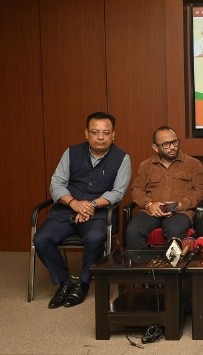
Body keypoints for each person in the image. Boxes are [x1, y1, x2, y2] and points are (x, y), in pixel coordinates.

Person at [33, 112, 131, 308]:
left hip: (99, 212)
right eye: (95, 132)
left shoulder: (122, 158)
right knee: (41, 239)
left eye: (106, 132)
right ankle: (65, 282)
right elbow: (57, 184)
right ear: (86, 133)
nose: (100, 137)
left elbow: (117, 193)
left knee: (95, 238)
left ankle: (83, 283)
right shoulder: (71, 153)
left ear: (114, 134)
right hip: (66, 209)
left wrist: (91, 205)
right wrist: (74, 204)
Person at [125, 126, 203, 248]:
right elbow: (137, 190)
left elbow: (201, 190)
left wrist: (181, 205)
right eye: (166, 144)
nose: (172, 147)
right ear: (155, 147)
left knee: (174, 230)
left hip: (180, 212)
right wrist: (150, 204)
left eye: (174, 142)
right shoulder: (146, 165)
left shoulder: (193, 164)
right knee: (134, 230)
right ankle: (143, 266)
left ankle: (172, 267)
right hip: (151, 211)